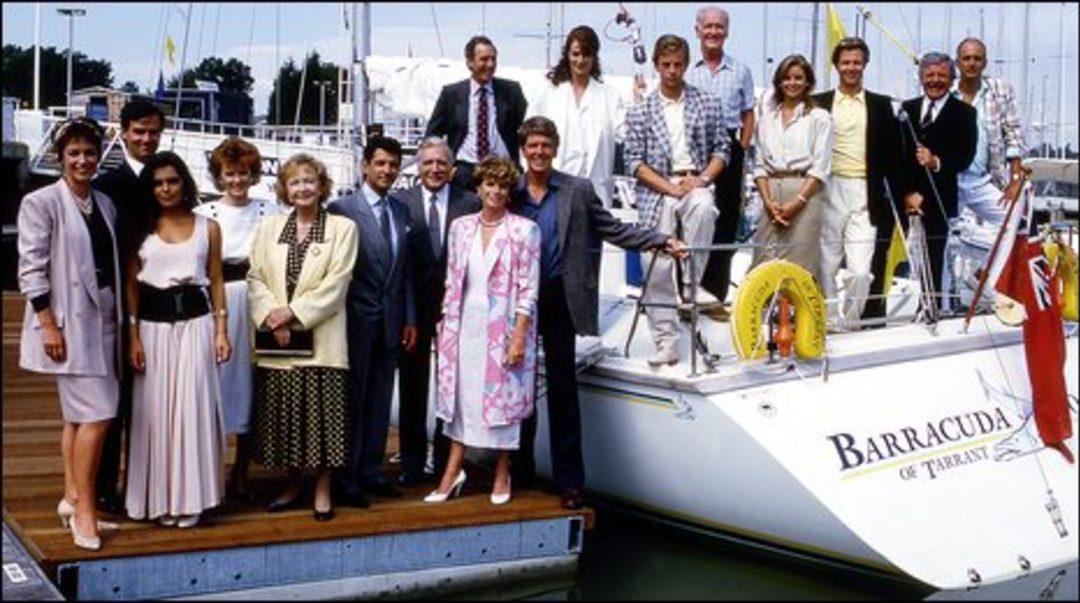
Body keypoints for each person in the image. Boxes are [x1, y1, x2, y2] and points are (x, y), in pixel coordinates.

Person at [510, 116, 682, 509]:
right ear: (523, 150)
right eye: (532, 145)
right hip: (516, 304)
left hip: (560, 298)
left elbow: (613, 229)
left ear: (555, 148)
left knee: (563, 394)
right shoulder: (510, 190)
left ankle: (570, 482)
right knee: (518, 391)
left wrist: (659, 240)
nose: (539, 152)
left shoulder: (577, 189)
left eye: (545, 145)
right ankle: (518, 473)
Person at [18, 117, 121, 551]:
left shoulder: (104, 203)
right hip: (67, 324)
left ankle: (72, 496)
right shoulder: (40, 202)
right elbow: (31, 268)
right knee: (98, 415)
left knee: (78, 417)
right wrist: (47, 324)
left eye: (89, 152)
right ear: (60, 157)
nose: (83, 160)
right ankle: (85, 513)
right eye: (74, 153)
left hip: (105, 318)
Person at [424, 155, 541, 505]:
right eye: (490, 184)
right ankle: (452, 472)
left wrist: (518, 336)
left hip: (504, 326)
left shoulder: (524, 230)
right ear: (479, 187)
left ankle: (503, 472)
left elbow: (529, 289)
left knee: (502, 401)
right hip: (463, 326)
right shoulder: (460, 227)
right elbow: (451, 279)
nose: (496, 191)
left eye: (503, 186)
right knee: (460, 397)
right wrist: (444, 322)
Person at [248, 154, 358, 522]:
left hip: (322, 338)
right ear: (284, 188)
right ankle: (293, 482)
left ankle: (322, 486)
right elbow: (255, 277)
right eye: (294, 182)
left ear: (322, 186)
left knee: (323, 418)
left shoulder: (342, 228)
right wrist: (271, 316)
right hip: (278, 340)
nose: (303, 188)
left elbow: (337, 283)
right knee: (287, 419)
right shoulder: (268, 228)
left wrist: (292, 314)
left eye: (309, 181)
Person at [124, 152, 230, 529]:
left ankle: (193, 498)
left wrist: (221, 330)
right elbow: (130, 285)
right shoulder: (139, 228)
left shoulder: (208, 227)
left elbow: (216, 280)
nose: (166, 188)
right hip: (152, 329)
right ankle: (158, 500)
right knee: (154, 415)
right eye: (158, 183)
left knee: (192, 410)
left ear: (184, 182)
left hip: (197, 325)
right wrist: (133, 336)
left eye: (172, 180)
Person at [624, 33, 729, 367]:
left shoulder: (707, 102)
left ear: (685, 65)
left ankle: (690, 284)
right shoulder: (640, 110)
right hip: (657, 188)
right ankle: (665, 340)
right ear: (656, 66)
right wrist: (669, 188)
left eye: (678, 65)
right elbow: (634, 162)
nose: (672, 71)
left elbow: (722, 149)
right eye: (666, 64)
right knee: (655, 262)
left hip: (694, 180)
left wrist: (702, 179)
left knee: (704, 207)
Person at [328, 136, 417, 508]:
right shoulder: (341, 209)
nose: (387, 170)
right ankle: (345, 476)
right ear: (365, 166)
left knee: (381, 398)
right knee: (353, 398)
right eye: (380, 163)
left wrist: (409, 317)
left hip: (392, 320)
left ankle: (371, 469)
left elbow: (405, 271)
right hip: (354, 318)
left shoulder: (400, 210)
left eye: (393, 164)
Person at [193, 137, 282, 502]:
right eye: (229, 174)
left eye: (243, 173)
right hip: (219, 300)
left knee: (253, 382)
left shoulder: (270, 210)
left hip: (260, 299)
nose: (237, 181)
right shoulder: (205, 213)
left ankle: (242, 469)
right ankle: (211, 468)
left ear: (253, 174)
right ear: (219, 176)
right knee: (216, 380)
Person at [93, 99, 165, 515]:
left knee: (154, 401)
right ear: (123, 133)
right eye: (139, 131)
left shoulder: (169, 179)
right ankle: (105, 487)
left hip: (162, 304)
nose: (146, 139)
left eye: (153, 132)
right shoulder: (107, 186)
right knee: (115, 401)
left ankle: (148, 484)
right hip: (119, 304)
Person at [398, 137, 479, 486]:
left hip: (456, 310)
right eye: (428, 162)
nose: (435, 169)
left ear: (452, 169)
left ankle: (446, 462)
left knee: (451, 389)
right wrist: (406, 314)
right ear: (418, 167)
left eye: (441, 163)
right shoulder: (401, 202)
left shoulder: (470, 202)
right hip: (412, 312)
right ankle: (412, 463)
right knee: (412, 388)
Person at [813, 37, 907, 328]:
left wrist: (903, 196)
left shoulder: (882, 105)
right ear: (836, 65)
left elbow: (895, 158)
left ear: (865, 64)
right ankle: (829, 321)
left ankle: (851, 321)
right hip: (829, 188)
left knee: (860, 271)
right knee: (826, 264)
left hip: (866, 191)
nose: (851, 67)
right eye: (846, 62)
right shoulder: (818, 103)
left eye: (856, 62)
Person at [686, 6, 756, 319]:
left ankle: (714, 297)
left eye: (719, 27)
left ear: (727, 32)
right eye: (708, 26)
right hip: (693, 147)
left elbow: (748, 113)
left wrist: (741, 149)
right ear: (698, 31)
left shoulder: (740, 71)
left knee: (726, 222)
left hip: (730, 147)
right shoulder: (687, 70)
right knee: (692, 218)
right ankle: (687, 294)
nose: (713, 32)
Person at [899, 52, 977, 311]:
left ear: (952, 79)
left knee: (934, 259)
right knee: (898, 256)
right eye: (929, 75)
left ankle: (930, 310)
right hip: (904, 197)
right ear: (921, 78)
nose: (935, 80)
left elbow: (964, 157)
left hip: (939, 199)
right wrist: (908, 192)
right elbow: (896, 156)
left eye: (941, 75)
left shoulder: (965, 113)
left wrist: (935, 162)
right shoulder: (906, 109)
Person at [749, 55, 833, 283]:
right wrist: (768, 202)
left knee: (801, 267)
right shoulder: (767, 119)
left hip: (805, 193)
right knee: (762, 263)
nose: (792, 83)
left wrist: (798, 202)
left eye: (798, 78)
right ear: (779, 82)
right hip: (771, 194)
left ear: (808, 82)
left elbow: (820, 167)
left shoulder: (820, 118)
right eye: (786, 78)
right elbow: (759, 165)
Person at [528, 25, 626, 206]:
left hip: (595, 187)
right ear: (567, 55)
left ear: (594, 56)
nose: (580, 60)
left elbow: (627, 133)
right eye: (575, 54)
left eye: (586, 54)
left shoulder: (610, 96)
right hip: (554, 184)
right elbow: (527, 137)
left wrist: (639, 97)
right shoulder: (547, 92)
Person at [425, 35, 528, 192]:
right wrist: (446, 167)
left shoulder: (511, 91)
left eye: (493, 59)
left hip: (503, 171)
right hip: (463, 173)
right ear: (470, 62)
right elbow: (433, 134)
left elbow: (525, 130)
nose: (490, 64)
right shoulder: (451, 94)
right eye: (484, 59)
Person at [952, 37, 1026, 227]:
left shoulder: (1001, 90)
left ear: (985, 63)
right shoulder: (946, 92)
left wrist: (1015, 180)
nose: (972, 63)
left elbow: (1014, 136)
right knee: (937, 232)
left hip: (982, 180)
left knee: (1015, 220)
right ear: (957, 62)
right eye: (966, 58)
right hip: (950, 180)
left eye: (977, 58)